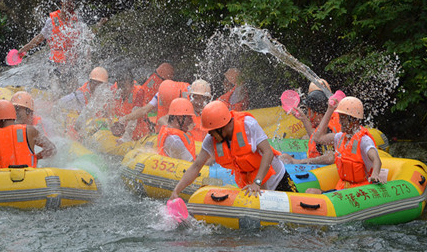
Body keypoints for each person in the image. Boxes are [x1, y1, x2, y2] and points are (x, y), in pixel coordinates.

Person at [169, 101, 297, 200]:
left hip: (277, 179)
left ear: (222, 127)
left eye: (212, 131)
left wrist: (257, 182)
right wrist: (176, 190)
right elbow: (196, 166)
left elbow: (268, 153)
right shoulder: (211, 139)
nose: (210, 134)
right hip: (251, 187)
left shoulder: (248, 125)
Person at [18, 0, 91, 93]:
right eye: (68, 0)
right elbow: (39, 38)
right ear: (62, 2)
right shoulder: (52, 21)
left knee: (72, 93)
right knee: (55, 93)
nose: (71, 3)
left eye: (73, 1)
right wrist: (23, 50)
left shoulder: (77, 21)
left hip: (71, 65)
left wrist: (87, 62)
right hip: (55, 66)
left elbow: (86, 39)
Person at [310, 96, 384, 192]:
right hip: (343, 189)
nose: (340, 121)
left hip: (360, 190)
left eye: (343, 118)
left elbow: (376, 159)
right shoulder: (340, 137)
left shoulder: (364, 140)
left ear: (354, 120)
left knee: (313, 192)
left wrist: (375, 174)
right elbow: (317, 138)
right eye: (340, 117)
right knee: (310, 191)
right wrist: (330, 110)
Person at [0, 100, 57, 176]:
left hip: (0, 187)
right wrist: (36, 157)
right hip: (30, 182)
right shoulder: (30, 131)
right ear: (13, 117)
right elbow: (52, 149)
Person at [280, 90, 339, 165]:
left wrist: (297, 161)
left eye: (308, 110)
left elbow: (330, 158)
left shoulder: (328, 128)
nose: (307, 114)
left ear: (316, 112)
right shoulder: (326, 122)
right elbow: (316, 138)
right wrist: (304, 119)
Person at [119, 79, 190, 132]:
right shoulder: (160, 93)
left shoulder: (189, 93)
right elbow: (144, 110)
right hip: (165, 129)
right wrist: (125, 118)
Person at [111, 69, 150, 143]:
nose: (121, 90)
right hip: (119, 131)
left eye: (124, 87)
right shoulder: (114, 89)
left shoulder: (139, 92)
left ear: (132, 85)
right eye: (119, 87)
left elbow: (134, 118)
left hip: (137, 133)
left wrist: (125, 138)